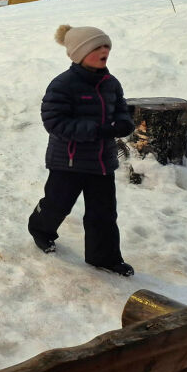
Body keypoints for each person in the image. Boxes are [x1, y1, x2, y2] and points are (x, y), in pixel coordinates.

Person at [28, 24, 135, 277]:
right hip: (69, 161)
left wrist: (124, 124)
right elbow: (54, 121)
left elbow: (122, 110)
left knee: (104, 213)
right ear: (78, 53)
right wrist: (97, 129)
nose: (104, 50)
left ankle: (104, 257)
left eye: (106, 45)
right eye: (97, 47)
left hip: (102, 162)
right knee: (57, 205)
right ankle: (40, 230)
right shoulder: (63, 84)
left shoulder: (112, 84)